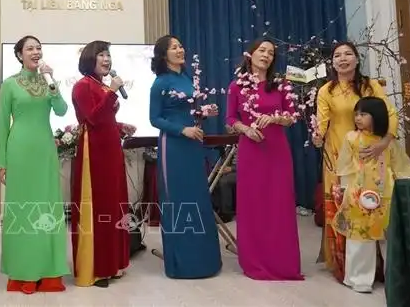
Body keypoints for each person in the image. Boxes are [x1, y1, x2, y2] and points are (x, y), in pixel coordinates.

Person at [312, 41, 398, 283]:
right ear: (332, 63)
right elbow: (322, 122)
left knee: (370, 206)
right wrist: (317, 136)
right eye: (337, 55)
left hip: (370, 154)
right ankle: (345, 267)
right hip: (337, 155)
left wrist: (384, 142)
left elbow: (390, 114)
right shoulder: (326, 90)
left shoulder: (370, 86)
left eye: (348, 54)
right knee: (342, 208)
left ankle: (376, 268)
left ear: (357, 59)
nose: (342, 59)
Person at [0, 35, 69, 294]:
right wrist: (1, 162)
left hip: (44, 151)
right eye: (30, 48)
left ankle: (49, 271)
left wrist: (52, 82)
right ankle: (23, 271)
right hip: (19, 151)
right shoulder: (9, 84)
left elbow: (61, 110)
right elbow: (2, 124)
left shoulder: (48, 82)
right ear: (19, 55)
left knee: (47, 208)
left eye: (38, 48)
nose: (36, 52)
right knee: (22, 210)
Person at [225, 39, 303, 280]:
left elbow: (292, 117)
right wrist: (246, 130)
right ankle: (254, 260)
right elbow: (230, 120)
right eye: (262, 50)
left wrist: (276, 118)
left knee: (279, 204)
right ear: (250, 54)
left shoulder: (281, 85)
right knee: (254, 204)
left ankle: (282, 261)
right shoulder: (237, 86)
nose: (266, 55)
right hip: (251, 150)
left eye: (271, 53)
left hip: (277, 151)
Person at [148, 35, 222, 278]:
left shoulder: (188, 77)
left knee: (197, 198)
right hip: (174, 146)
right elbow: (155, 118)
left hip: (193, 144)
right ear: (163, 55)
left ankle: (204, 261)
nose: (180, 50)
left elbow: (189, 110)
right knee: (178, 201)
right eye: (174, 47)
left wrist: (204, 112)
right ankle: (181, 263)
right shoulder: (160, 83)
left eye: (180, 46)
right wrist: (182, 130)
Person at [332, 97, 410, 292]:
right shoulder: (351, 138)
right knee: (359, 237)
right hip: (357, 195)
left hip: (386, 195)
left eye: (363, 114)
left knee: (389, 237)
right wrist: (343, 190)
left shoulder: (388, 142)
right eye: (356, 114)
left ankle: (394, 278)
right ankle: (359, 279)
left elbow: (402, 167)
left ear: (377, 116)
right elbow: (345, 166)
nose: (358, 118)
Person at [71, 40, 135, 288]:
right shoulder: (82, 86)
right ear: (90, 59)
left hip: (111, 149)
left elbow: (106, 119)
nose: (107, 59)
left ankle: (112, 264)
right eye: (101, 55)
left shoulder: (101, 85)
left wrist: (120, 126)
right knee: (98, 207)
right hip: (94, 152)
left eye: (108, 55)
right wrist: (112, 92)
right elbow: (93, 118)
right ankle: (95, 269)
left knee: (114, 204)